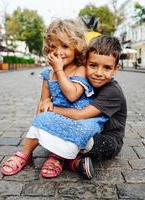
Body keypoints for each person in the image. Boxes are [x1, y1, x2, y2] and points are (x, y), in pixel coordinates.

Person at [1, 19, 108, 179]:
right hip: (56, 116)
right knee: (41, 119)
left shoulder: (79, 70)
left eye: (65, 46)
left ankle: (57, 157)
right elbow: (44, 100)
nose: (58, 52)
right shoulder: (47, 74)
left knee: (81, 131)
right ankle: (25, 154)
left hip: (77, 118)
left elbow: (72, 95)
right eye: (53, 47)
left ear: (76, 47)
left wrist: (58, 69)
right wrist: (43, 109)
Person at [52, 35, 127, 178]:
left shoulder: (112, 92)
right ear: (85, 63)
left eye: (107, 68)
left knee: (87, 139)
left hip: (107, 138)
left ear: (115, 69)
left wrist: (51, 109)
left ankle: (70, 158)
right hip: (87, 128)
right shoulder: (85, 81)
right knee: (68, 132)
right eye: (93, 65)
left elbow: (80, 114)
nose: (98, 73)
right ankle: (76, 162)